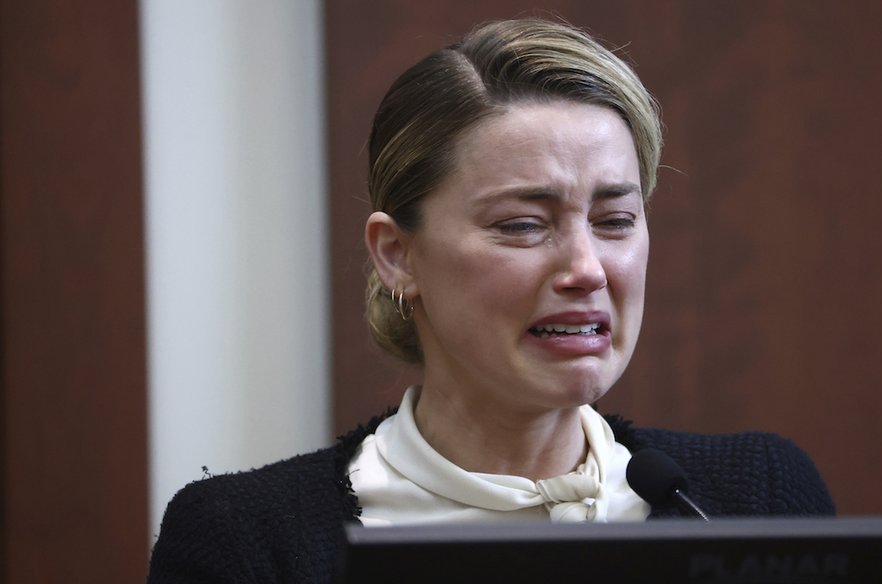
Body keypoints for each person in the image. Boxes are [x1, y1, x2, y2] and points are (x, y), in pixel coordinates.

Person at [147, 18, 834, 583]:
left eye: (615, 220)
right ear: (398, 254)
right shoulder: (248, 542)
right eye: (523, 226)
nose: (587, 269)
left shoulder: (756, 500)